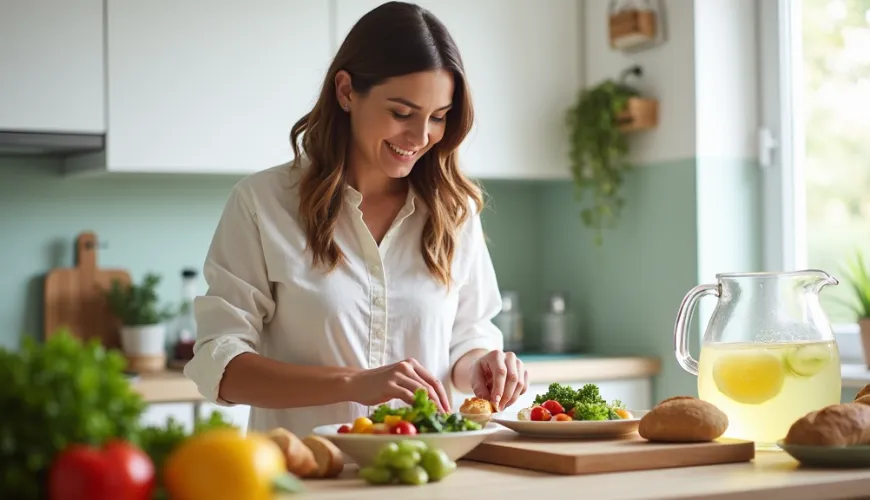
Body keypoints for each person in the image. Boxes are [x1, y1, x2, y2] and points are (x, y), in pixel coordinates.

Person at [184, 1, 529, 437]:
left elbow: (466, 341)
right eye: (402, 113)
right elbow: (222, 366)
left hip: (425, 474)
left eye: (438, 117)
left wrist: (484, 365)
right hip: (305, 475)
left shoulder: (453, 211)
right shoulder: (262, 203)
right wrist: (354, 383)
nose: (420, 137)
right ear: (346, 91)